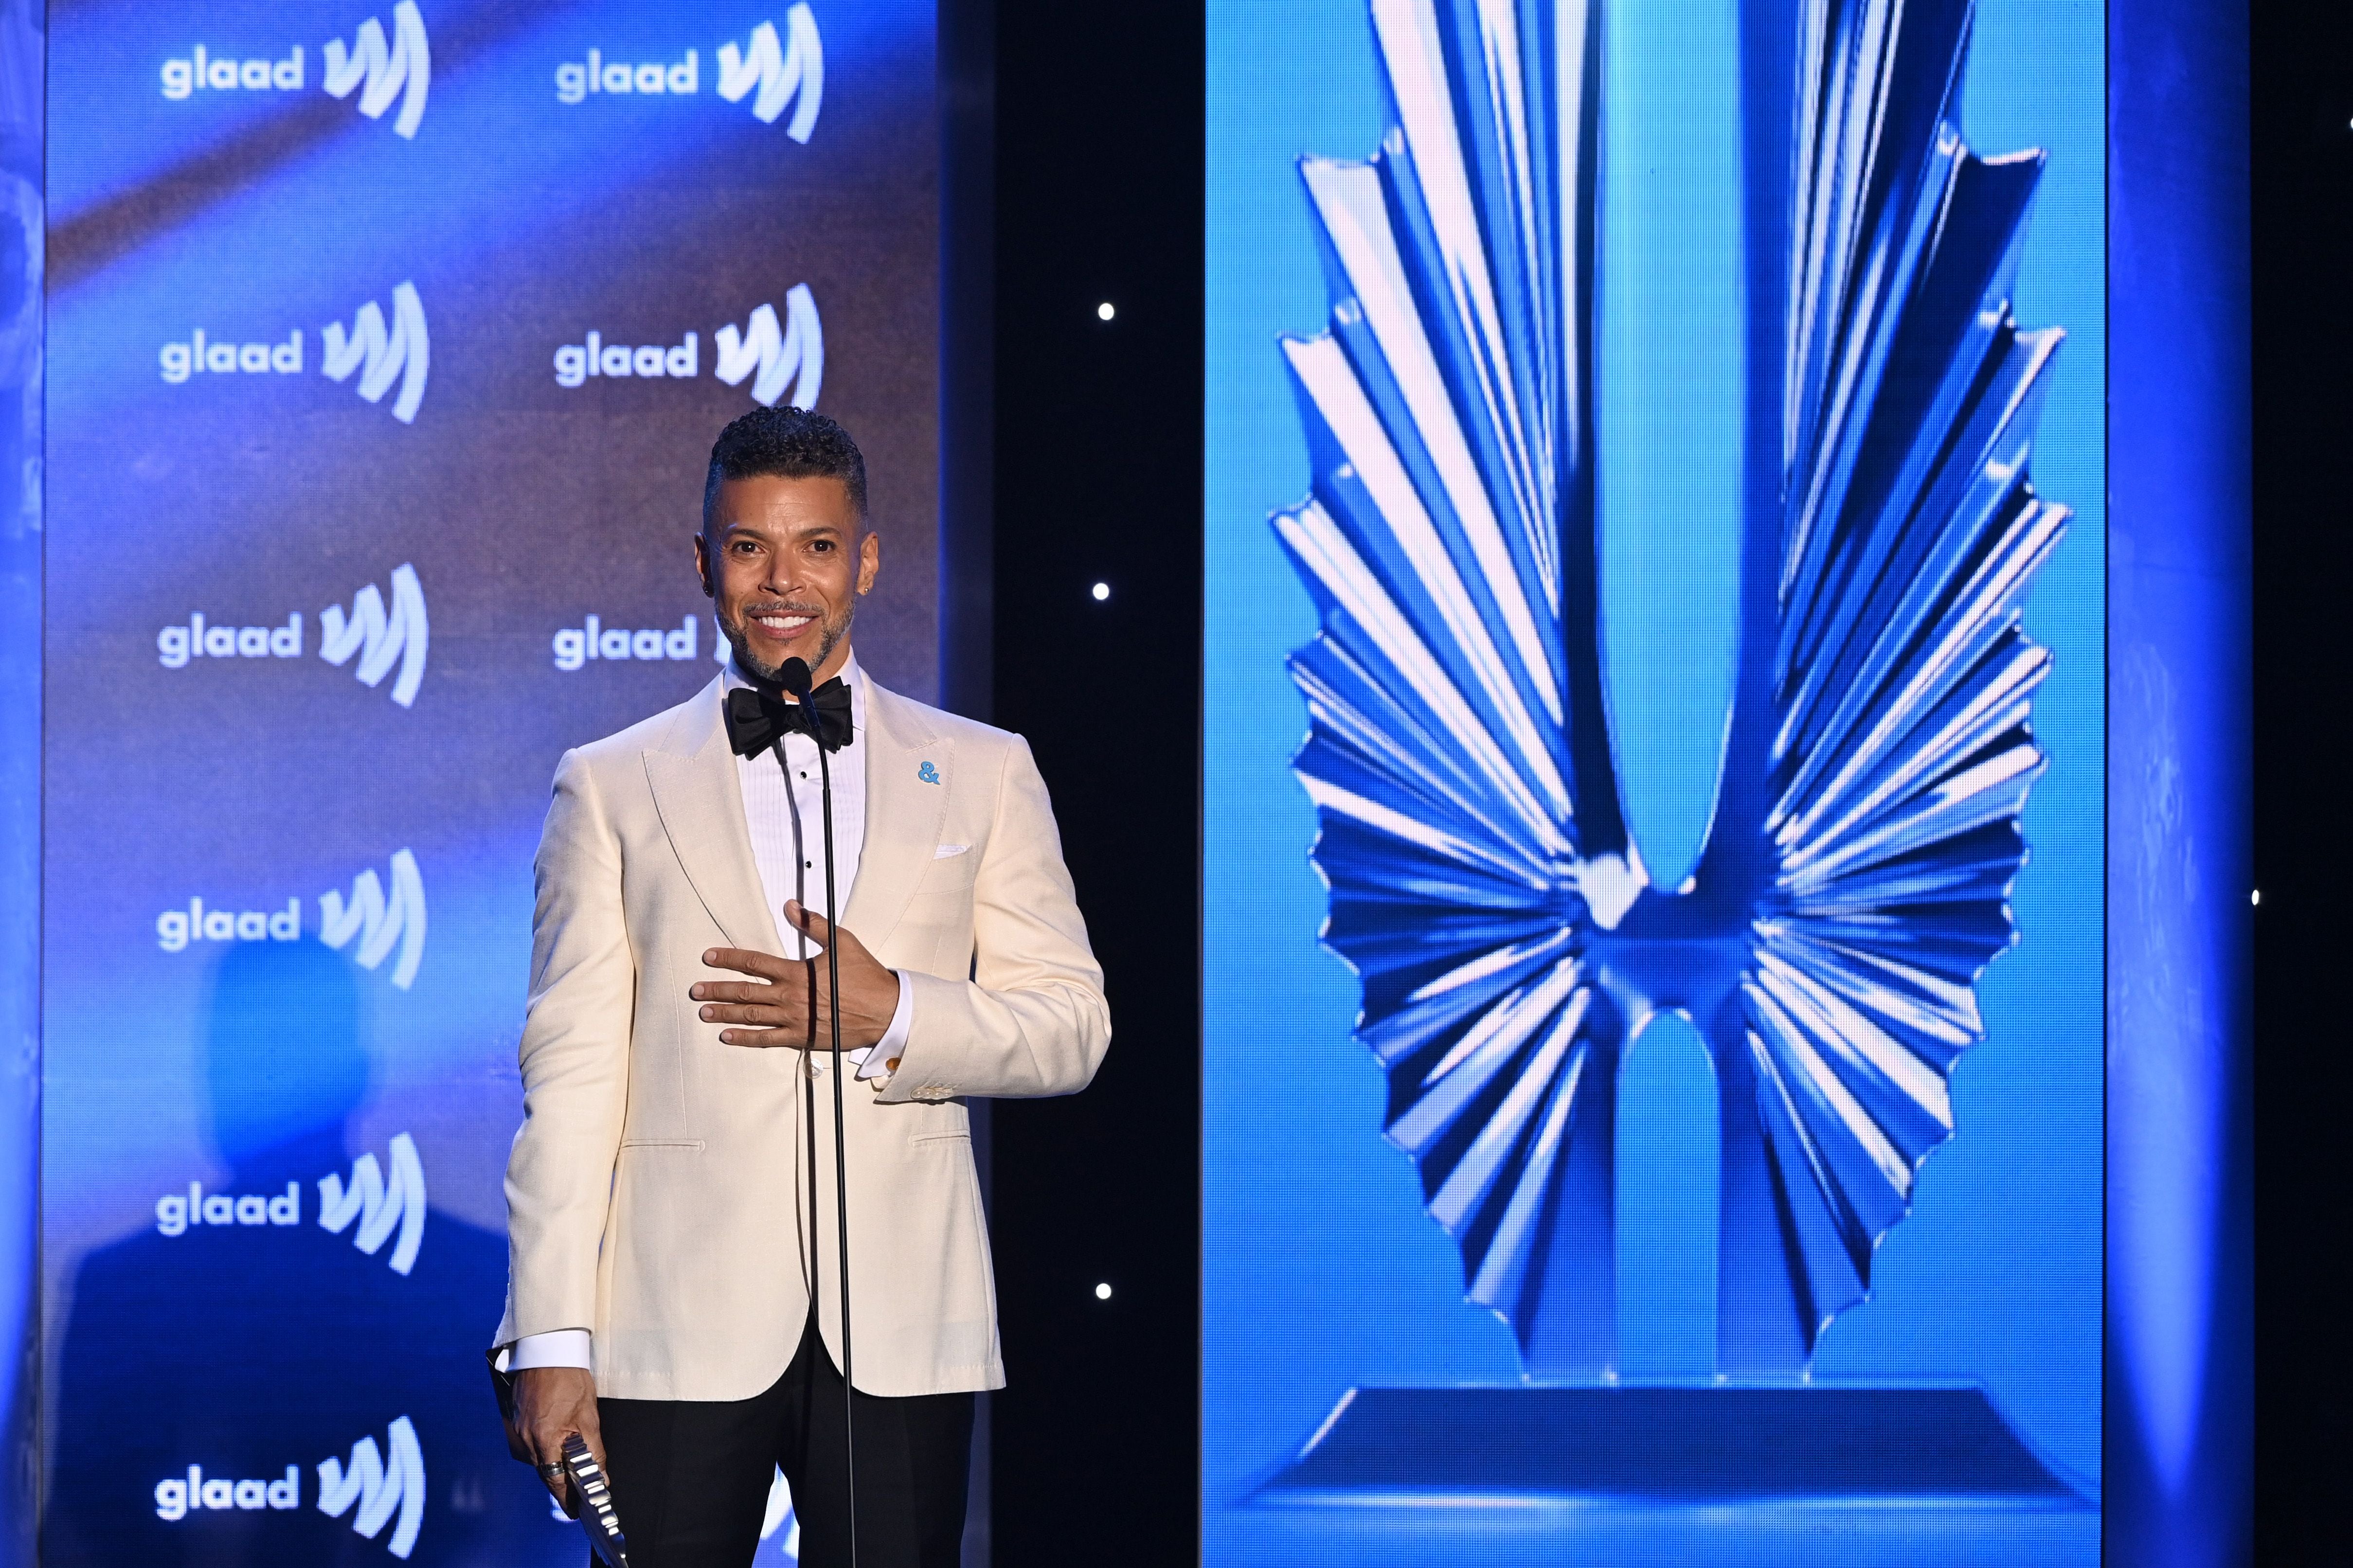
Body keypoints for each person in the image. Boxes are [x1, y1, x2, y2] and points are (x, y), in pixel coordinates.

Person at [492, 407, 1110, 1568]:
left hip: (901, 1327)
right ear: (703, 563)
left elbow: (1072, 1025)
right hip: (668, 1322)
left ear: (866, 559)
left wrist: (901, 1013)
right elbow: (568, 1078)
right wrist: (550, 1336)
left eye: (817, 546)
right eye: (748, 548)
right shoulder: (611, 784)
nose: (783, 581)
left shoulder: (983, 769)